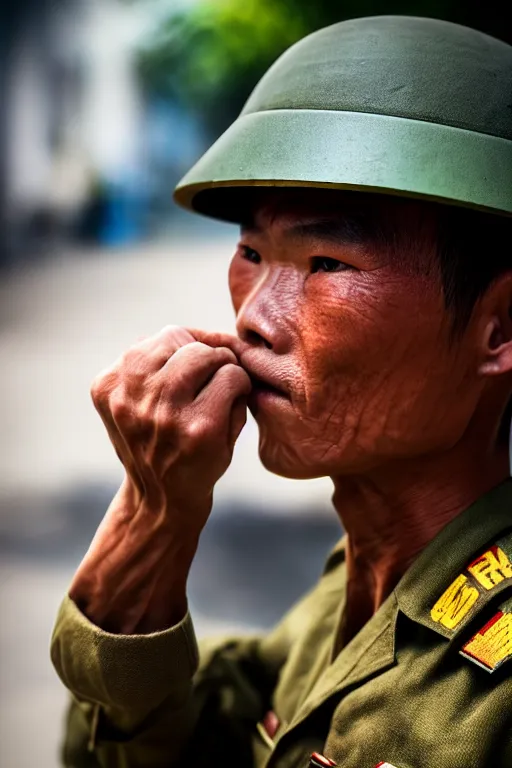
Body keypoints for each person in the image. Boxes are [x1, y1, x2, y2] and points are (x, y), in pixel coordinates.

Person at [50, 15, 512, 768]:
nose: (254, 319)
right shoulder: (353, 588)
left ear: (500, 328)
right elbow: (136, 746)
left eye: (326, 263)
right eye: (251, 252)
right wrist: (153, 512)